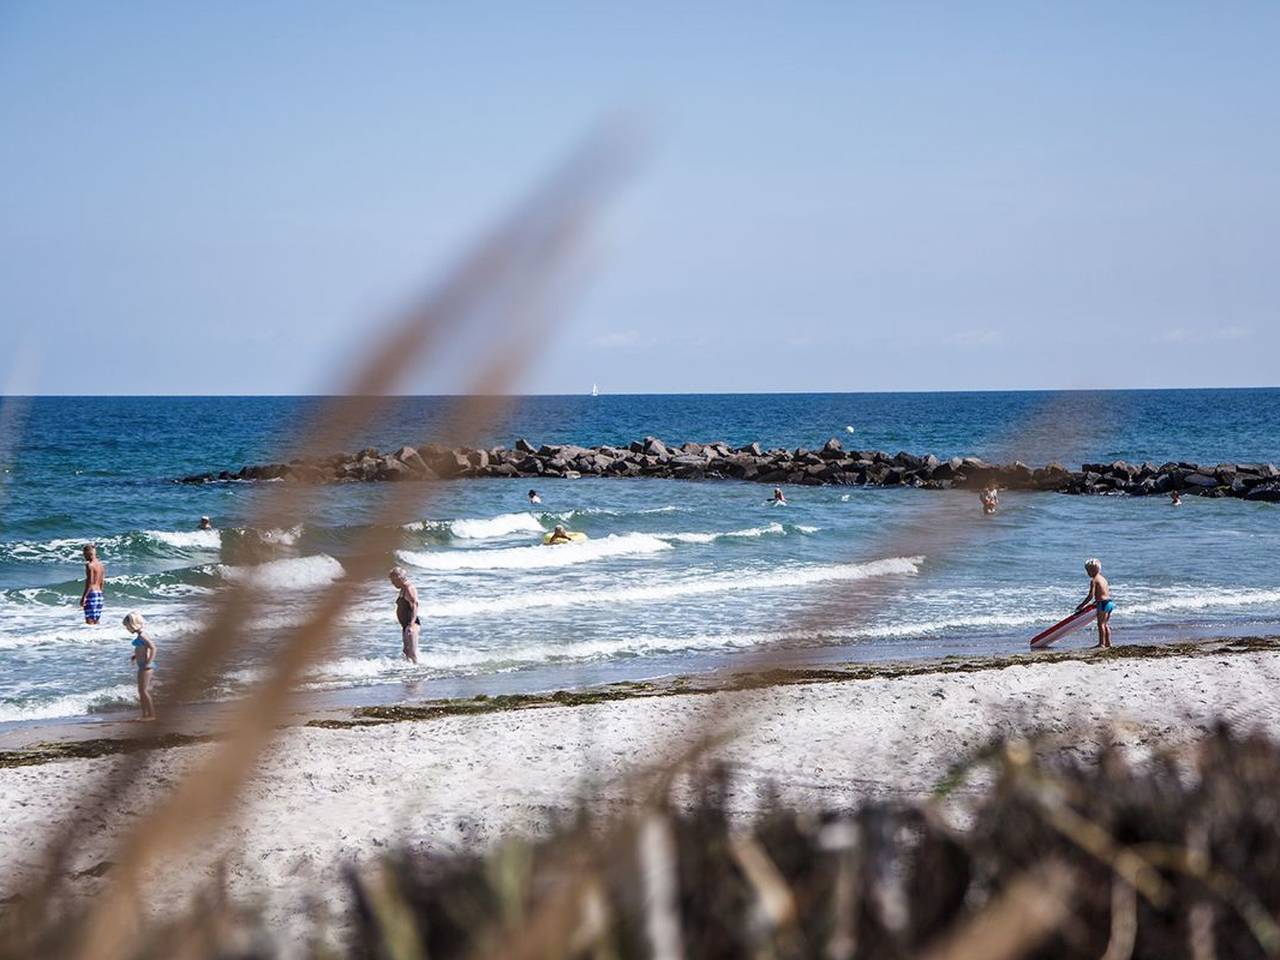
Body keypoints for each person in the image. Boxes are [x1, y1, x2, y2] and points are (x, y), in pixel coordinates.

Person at [123, 612, 157, 721]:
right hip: (142, 665)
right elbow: (142, 649)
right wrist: (135, 656)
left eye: (127, 626)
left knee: (144, 691)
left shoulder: (142, 635)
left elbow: (153, 648)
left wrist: (149, 662)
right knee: (140, 691)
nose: (127, 629)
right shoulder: (139, 636)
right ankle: (144, 714)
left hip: (146, 667)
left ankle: (151, 715)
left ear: (132, 624)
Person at [1075, 557, 1115, 649]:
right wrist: (1095, 602)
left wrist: (1081, 605)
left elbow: (1090, 595)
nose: (1087, 573)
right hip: (1109, 603)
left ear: (1092, 570)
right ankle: (1108, 643)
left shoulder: (1094, 580)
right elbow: (1103, 593)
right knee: (1105, 624)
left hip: (1103, 604)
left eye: (1088, 571)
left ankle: (1101, 643)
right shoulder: (1103, 579)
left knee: (1100, 624)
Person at [389, 567, 421, 663]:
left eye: (394, 581)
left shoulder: (409, 588)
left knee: (412, 653)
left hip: (411, 625)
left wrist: (411, 624)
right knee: (406, 652)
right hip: (406, 625)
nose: (393, 584)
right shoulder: (403, 588)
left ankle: (418, 672)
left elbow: (415, 604)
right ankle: (410, 673)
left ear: (399, 578)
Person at [80, 544, 106, 624]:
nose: (84, 557)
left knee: (89, 620)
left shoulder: (89, 565)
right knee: (96, 620)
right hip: (99, 595)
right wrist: (100, 593)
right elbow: (102, 582)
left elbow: (90, 582)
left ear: (89, 553)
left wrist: (84, 597)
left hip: (92, 593)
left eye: (84, 554)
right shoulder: (101, 566)